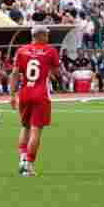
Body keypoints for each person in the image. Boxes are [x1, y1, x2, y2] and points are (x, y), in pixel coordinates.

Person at [10, 26, 62, 176]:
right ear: (40, 35)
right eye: (46, 35)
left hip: (25, 92)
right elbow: (57, 72)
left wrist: (12, 95)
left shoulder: (21, 50)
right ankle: (29, 165)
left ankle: (22, 159)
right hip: (41, 94)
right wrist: (52, 73)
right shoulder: (50, 50)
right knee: (36, 130)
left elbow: (14, 74)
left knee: (25, 127)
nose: (48, 37)